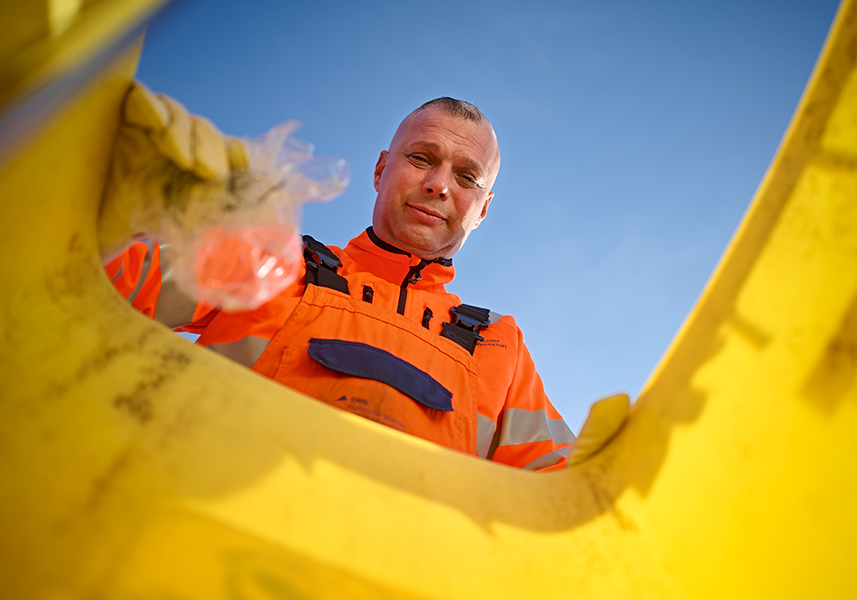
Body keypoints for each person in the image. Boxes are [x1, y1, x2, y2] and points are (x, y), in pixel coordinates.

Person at [103, 86, 574, 471]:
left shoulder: (498, 346)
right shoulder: (273, 261)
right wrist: (130, 209)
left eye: (468, 177)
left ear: (483, 209)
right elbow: (102, 281)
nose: (440, 185)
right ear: (380, 169)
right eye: (423, 158)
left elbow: (574, 490)